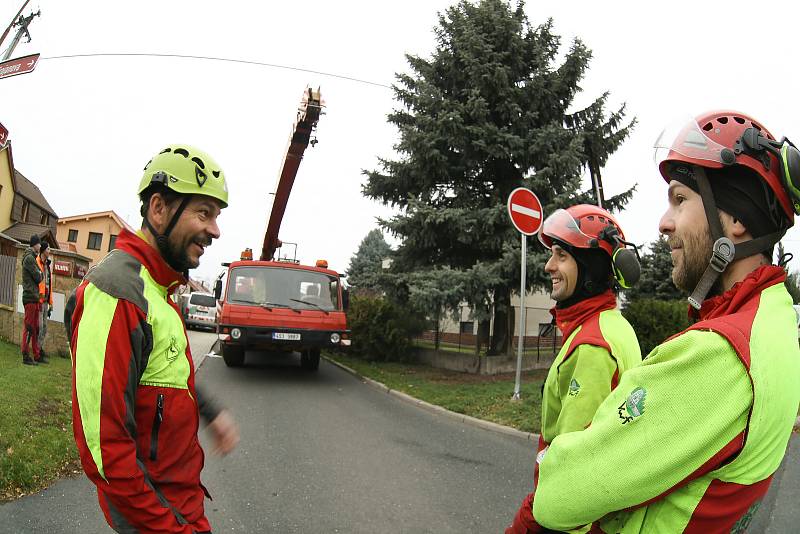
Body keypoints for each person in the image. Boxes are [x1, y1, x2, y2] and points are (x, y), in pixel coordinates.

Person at [506, 110, 800, 533]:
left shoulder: (722, 353)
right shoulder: (774, 326)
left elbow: (558, 496)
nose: (663, 223)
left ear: (736, 220)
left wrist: (555, 470)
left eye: (680, 199)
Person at [68, 145, 240, 534]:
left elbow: (169, 372)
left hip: (181, 505)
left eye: (216, 216)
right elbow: (104, 450)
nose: (215, 230)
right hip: (157, 517)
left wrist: (210, 412)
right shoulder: (118, 292)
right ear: (159, 209)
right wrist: (169, 528)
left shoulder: (159, 291)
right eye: (204, 213)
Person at [532, 204, 642, 486]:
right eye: (551, 255)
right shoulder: (613, 323)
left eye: (562, 255)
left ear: (590, 269)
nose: (549, 266)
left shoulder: (592, 345)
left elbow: (570, 471)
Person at [21, 233, 43, 365]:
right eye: (39, 243)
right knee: (29, 327)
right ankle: (25, 355)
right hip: (29, 297)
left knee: (35, 328)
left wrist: (39, 273)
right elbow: (39, 276)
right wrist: (39, 273)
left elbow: (39, 274)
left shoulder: (33, 258)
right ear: (35, 244)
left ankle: (35, 355)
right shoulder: (29, 258)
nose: (40, 246)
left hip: (33, 298)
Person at [36, 240, 53, 359]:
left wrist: (50, 302)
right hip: (39, 300)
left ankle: (39, 349)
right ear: (43, 250)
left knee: (45, 327)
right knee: (39, 327)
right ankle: (36, 350)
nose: (49, 251)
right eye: (48, 249)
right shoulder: (37, 262)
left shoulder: (47, 264)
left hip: (46, 301)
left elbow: (49, 283)